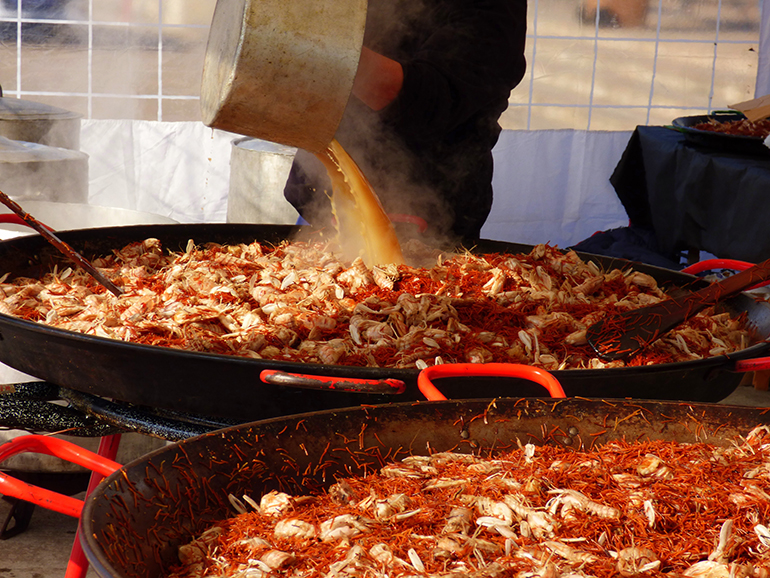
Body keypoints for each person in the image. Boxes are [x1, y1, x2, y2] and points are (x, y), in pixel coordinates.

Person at [284, 0, 527, 246]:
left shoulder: (495, 10)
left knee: (423, 280)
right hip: (321, 201)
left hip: (425, 218)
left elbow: (424, 101)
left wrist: (321, 43)